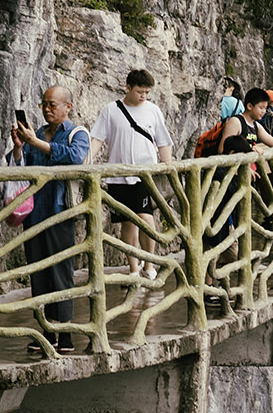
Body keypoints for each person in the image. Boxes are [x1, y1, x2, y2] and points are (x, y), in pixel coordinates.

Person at [13, 85, 90, 356]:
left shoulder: (76, 134)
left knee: (60, 273)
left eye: (52, 105)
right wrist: (21, 148)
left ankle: (65, 333)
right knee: (38, 273)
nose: (47, 109)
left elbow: (74, 158)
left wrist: (36, 142)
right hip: (35, 214)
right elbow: (22, 169)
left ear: (68, 106)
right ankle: (46, 331)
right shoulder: (38, 135)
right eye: (44, 104)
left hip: (60, 213)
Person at [90, 68, 173, 280]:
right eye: (139, 91)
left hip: (144, 175)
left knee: (146, 218)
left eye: (147, 92)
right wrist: (86, 163)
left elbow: (163, 141)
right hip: (118, 175)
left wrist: (168, 164)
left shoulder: (153, 111)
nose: (143, 96)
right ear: (128, 88)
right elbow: (97, 139)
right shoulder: (111, 110)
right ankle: (133, 267)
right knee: (127, 222)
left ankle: (149, 263)